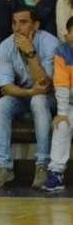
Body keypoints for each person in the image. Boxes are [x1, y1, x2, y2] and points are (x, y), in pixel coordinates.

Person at [0, 5, 57, 190]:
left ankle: (42, 165)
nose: (17, 28)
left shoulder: (50, 43)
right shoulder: (6, 45)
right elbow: (5, 88)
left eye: (23, 22)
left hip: (49, 98)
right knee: (2, 104)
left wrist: (30, 53)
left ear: (35, 25)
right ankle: (3, 166)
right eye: (14, 23)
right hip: (24, 94)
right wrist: (29, 93)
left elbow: (45, 85)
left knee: (38, 100)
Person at [45, 17, 73, 192]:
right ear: (66, 35)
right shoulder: (62, 51)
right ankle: (56, 173)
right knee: (61, 124)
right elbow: (61, 85)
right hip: (69, 103)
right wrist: (61, 113)